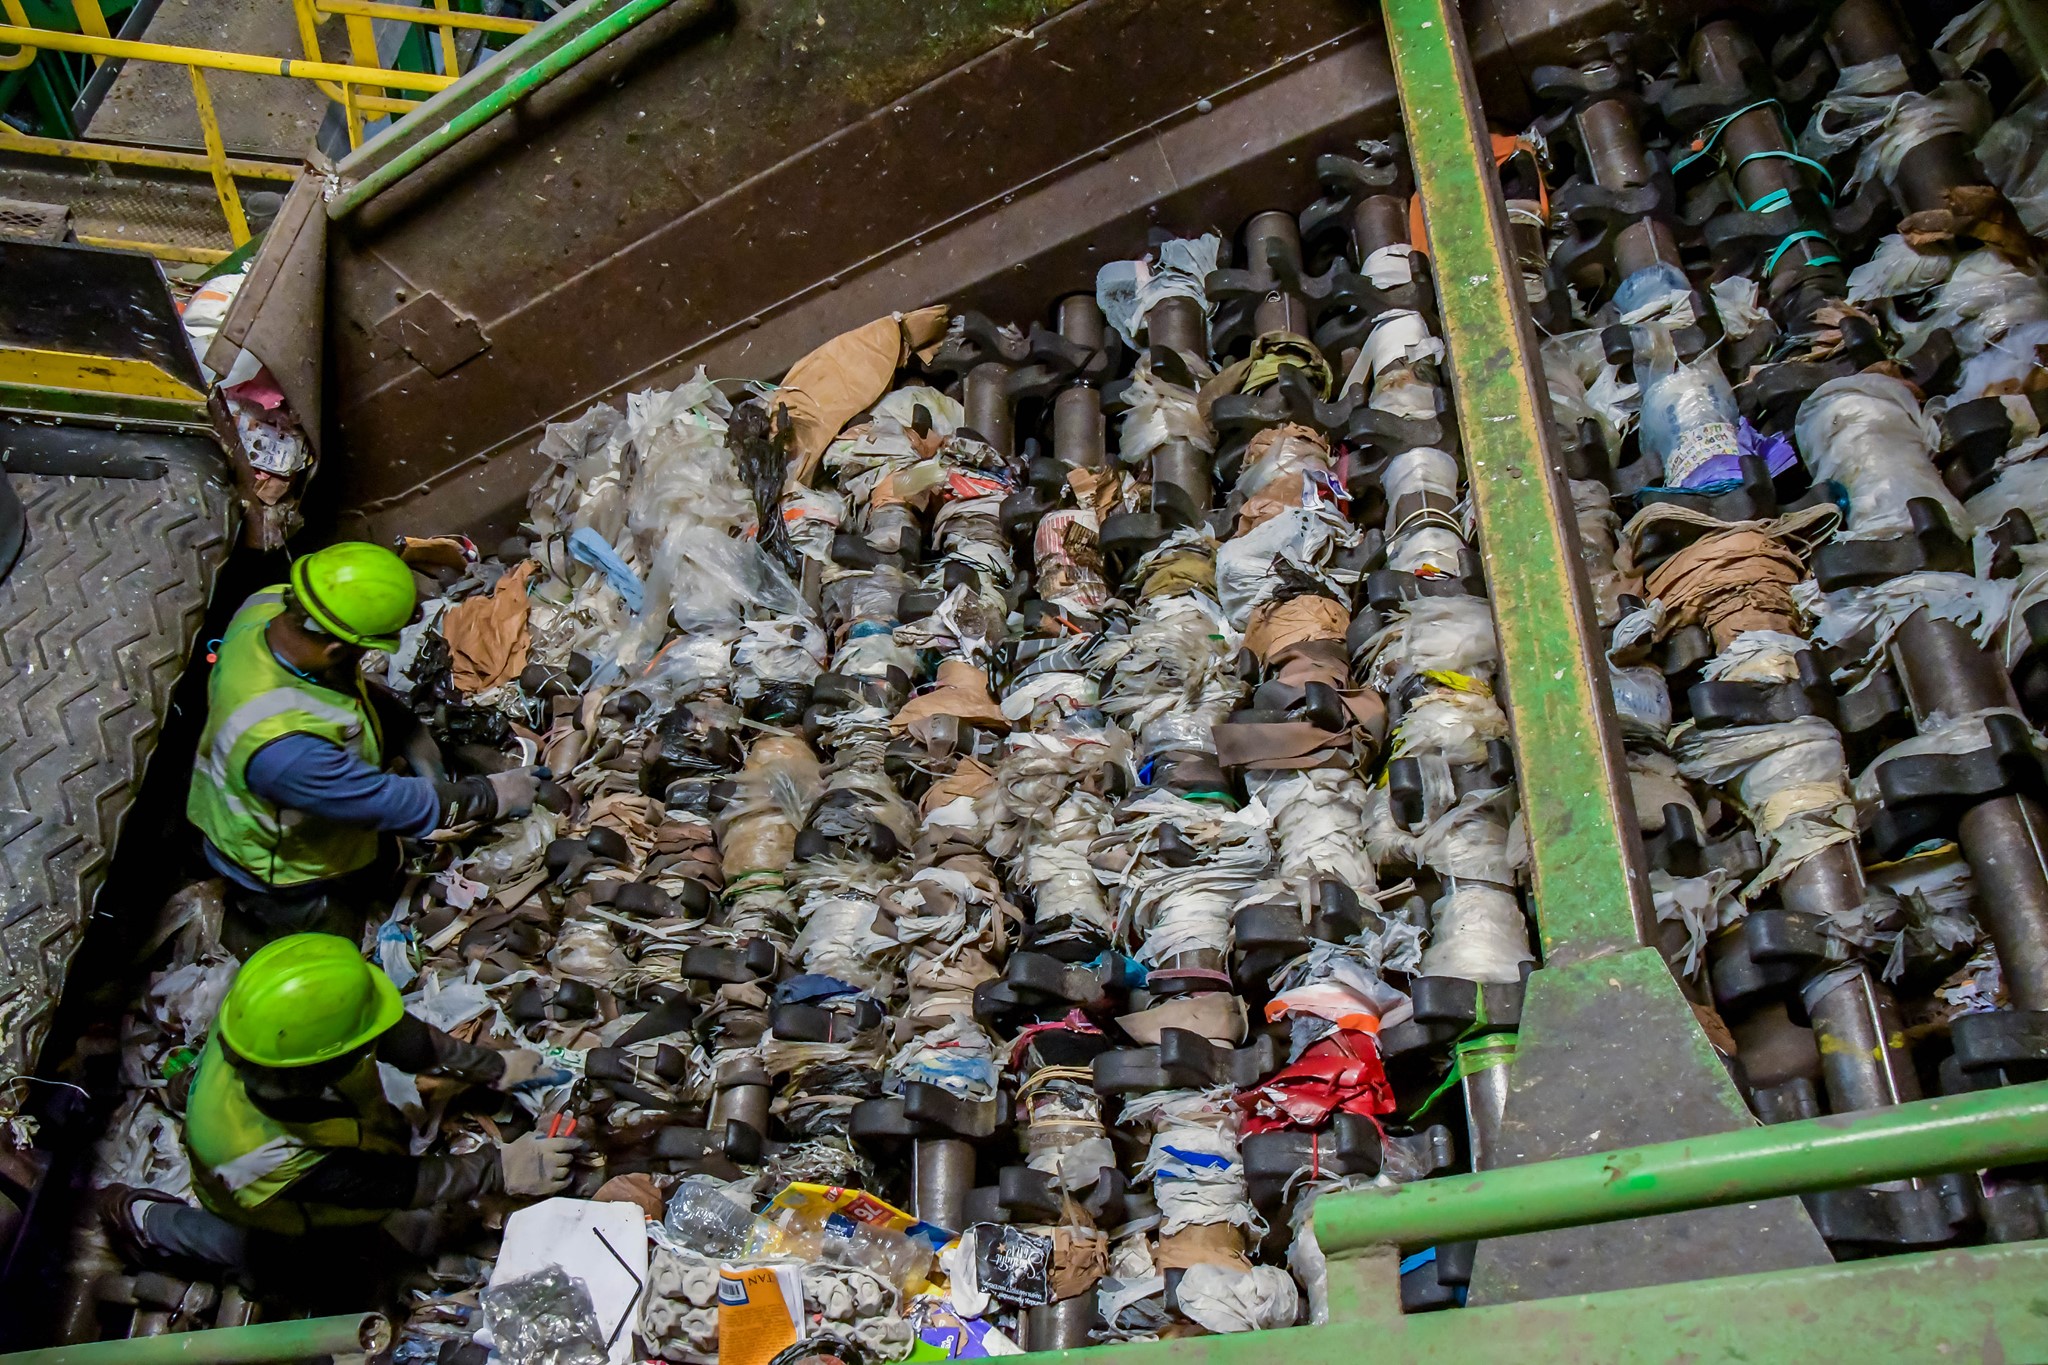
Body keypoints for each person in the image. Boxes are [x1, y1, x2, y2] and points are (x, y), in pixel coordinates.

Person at [100, 934, 578, 1290]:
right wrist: (499, 1168)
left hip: (329, 1139)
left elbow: (398, 1037)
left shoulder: (278, 1025)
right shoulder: (261, 1148)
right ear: (318, 1070)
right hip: (274, 1205)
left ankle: (183, 1095)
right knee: (284, 1266)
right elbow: (386, 1184)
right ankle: (141, 1220)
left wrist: (492, 1067)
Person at [187, 541, 548, 953]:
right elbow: (391, 804)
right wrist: (493, 794)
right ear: (338, 647)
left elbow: (345, 688)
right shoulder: (285, 750)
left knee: (373, 860)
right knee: (328, 944)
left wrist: (411, 732)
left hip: (284, 806)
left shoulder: (271, 606)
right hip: (281, 867)